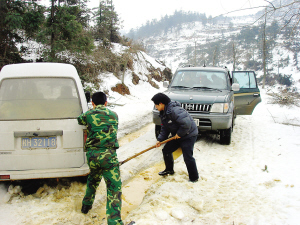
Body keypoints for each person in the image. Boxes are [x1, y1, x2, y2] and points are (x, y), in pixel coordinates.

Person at [77, 92, 123, 225]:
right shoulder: (114, 115)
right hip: (108, 157)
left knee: (93, 179)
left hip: (92, 156)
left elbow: (79, 120)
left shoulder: (88, 115)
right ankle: (114, 222)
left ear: (92, 103)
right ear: (106, 103)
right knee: (114, 188)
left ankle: (86, 206)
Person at [151, 93, 199, 182]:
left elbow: (186, 124)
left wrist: (179, 134)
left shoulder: (175, 110)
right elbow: (165, 128)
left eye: (156, 105)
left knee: (187, 156)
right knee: (166, 150)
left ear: (161, 103)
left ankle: (194, 178)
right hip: (178, 135)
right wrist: (160, 140)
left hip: (189, 134)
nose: (156, 107)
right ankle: (169, 169)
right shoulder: (163, 113)